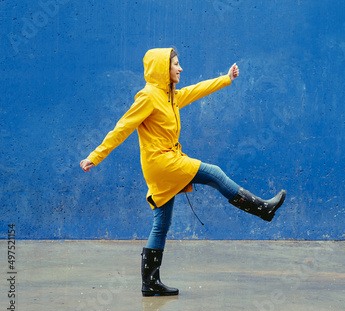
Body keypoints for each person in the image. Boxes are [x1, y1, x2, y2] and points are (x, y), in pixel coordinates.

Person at [80, 48, 286, 297]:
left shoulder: (170, 96)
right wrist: (95, 156)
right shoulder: (148, 97)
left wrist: (226, 79)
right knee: (215, 173)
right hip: (162, 162)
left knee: (161, 223)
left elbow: (196, 90)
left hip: (166, 161)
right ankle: (263, 209)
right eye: (175, 64)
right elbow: (122, 127)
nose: (180, 68)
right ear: (162, 69)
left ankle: (150, 282)